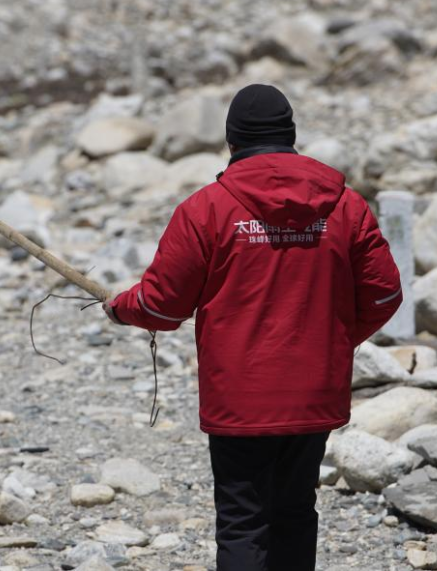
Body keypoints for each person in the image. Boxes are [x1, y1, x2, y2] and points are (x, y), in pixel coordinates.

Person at [103, 84, 402, 570]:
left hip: (240, 400)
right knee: (295, 512)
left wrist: (120, 308)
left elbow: (161, 307)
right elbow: (385, 293)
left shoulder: (206, 210)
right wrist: (332, 342)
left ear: (231, 143)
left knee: (244, 523)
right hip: (313, 393)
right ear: (290, 137)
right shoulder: (344, 206)